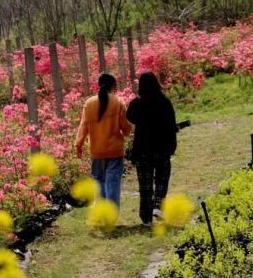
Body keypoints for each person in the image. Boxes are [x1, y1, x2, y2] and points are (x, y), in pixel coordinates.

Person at [126, 72, 178, 227]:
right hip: (162, 147)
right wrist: (172, 146)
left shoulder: (137, 104)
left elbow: (130, 118)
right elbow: (171, 125)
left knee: (145, 184)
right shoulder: (165, 102)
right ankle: (157, 206)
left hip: (143, 148)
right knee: (162, 179)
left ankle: (146, 218)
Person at [76, 73, 132, 209]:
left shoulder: (89, 103)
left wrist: (79, 144)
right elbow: (126, 128)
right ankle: (111, 214)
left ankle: (101, 212)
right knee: (112, 182)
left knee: (99, 181)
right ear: (113, 86)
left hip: (97, 150)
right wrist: (126, 132)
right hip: (115, 151)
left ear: (98, 84)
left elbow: (83, 126)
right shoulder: (118, 102)